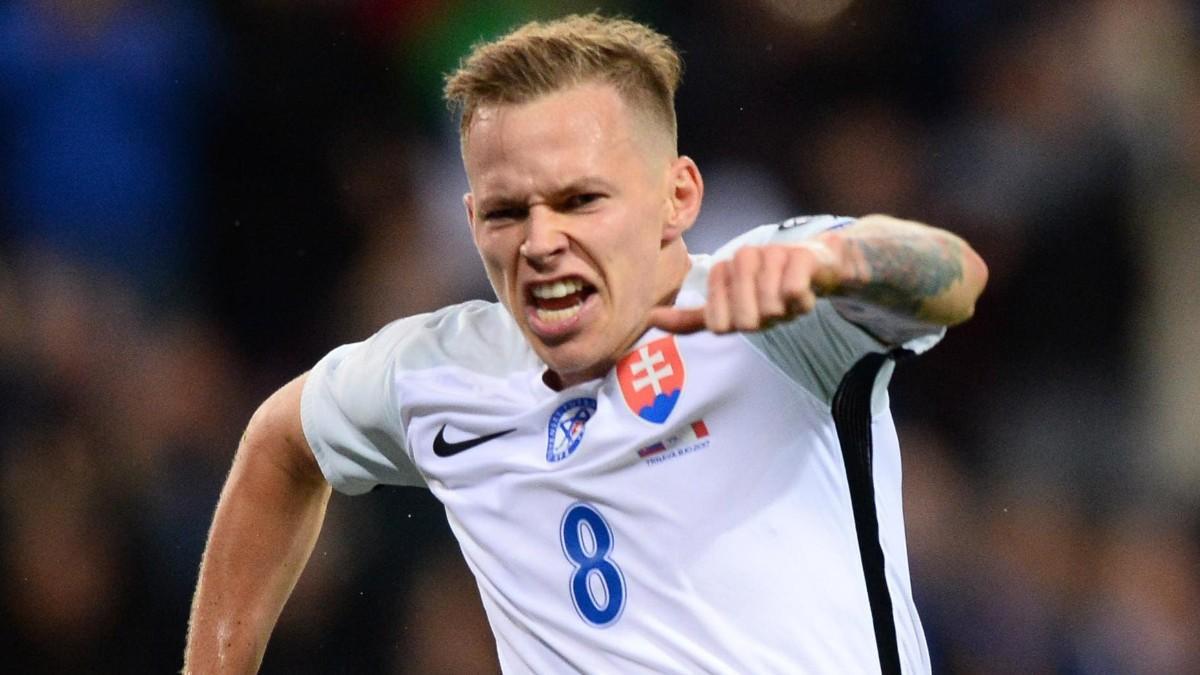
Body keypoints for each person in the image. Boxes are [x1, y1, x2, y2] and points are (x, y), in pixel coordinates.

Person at [184, 14, 987, 674]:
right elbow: (281, 443)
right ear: (470, 223)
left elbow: (952, 272)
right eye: (506, 212)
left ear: (678, 196)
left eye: (580, 200)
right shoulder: (437, 371)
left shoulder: (777, 303)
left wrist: (845, 260)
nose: (540, 240)